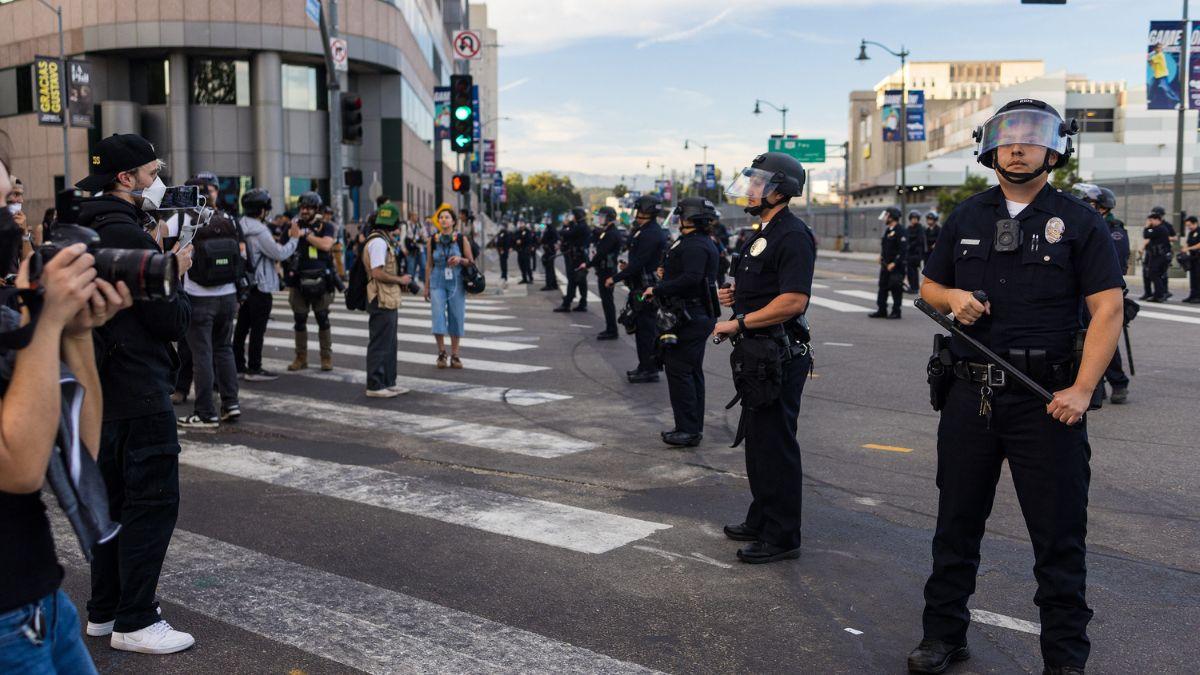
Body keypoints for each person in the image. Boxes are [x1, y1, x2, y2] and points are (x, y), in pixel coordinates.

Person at [910, 99, 1123, 675]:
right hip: (968, 395)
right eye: (1008, 137)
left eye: (1033, 137)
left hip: (1045, 401)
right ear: (990, 147)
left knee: (1058, 537)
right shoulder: (967, 216)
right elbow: (929, 285)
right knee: (955, 524)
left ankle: (1064, 659)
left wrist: (1081, 390)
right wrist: (951, 298)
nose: (1019, 146)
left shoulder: (1080, 221)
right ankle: (943, 634)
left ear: (1055, 150)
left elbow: (1108, 309)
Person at [0, 137, 133, 674]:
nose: (12, 220)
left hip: (40, 599)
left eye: (11, 199)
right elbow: (18, 467)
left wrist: (76, 335)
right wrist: (49, 321)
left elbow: (81, 446)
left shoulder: (8, 318)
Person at [75, 133, 197, 655]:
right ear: (125, 179)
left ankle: (104, 611)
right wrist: (176, 269)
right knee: (151, 501)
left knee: (114, 502)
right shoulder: (130, 233)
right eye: (151, 173)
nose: (157, 182)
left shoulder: (80, 225)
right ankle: (137, 619)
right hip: (137, 383)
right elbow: (168, 319)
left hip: (97, 384)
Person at [713, 152, 816, 564]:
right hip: (759, 354)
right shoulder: (764, 232)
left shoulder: (792, 234)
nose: (751, 189)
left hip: (779, 353)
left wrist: (737, 324)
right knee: (758, 443)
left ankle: (783, 535)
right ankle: (762, 517)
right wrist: (737, 299)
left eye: (759, 183)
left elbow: (793, 300)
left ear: (781, 190)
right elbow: (770, 290)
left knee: (776, 445)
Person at [642, 197, 719, 447]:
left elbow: (692, 279)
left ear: (689, 218)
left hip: (691, 316)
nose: (678, 219)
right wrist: (667, 273)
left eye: (681, 215)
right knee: (691, 371)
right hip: (694, 313)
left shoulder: (695, 244)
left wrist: (658, 289)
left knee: (680, 371)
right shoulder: (694, 241)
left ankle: (687, 429)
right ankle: (691, 426)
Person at [174, 174, 242, 428]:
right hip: (227, 295)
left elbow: (159, 242)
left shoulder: (182, 218)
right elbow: (241, 253)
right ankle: (231, 403)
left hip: (199, 296)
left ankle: (205, 412)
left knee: (202, 352)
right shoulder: (228, 218)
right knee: (224, 349)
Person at [234, 188, 301, 381]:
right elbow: (279, 253)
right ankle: (254, 368)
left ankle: (238, 366)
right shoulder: (260, 230)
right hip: (261, 286)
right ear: (261, 210)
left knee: (242, 327)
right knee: (257, 329)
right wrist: (295, 238)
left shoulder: (239, 225)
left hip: (245, 284)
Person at [1075, 184, 1131, 405]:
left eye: (1090, 204)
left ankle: (1119, 382)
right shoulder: (1081, 224)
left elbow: (1114, 263)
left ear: (1101, 207)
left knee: (1103, 337)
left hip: (1101, 291)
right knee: (1080, 338)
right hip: (1078, 294)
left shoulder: (1113, 228)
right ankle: (1096, 386)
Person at [611, 194, 668, 383]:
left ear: (646, 211)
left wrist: (616, 278)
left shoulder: (651, 233)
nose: (636, 213)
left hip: (646, 289)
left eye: (638, 210)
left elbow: (640, 262)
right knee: (641, 328)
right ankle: (644, 366)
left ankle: (649, 369)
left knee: (646, 330)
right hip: (639, 286)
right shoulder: (643, 230)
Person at [362, 201, 413, 397]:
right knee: (380, 342)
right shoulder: (378, 242)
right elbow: (377, 272)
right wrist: (400, 279)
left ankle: (388, 381)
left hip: (387, 297)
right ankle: (375, 385)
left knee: (390, 342)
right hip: (380, 297)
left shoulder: (383, 240)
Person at [285, 192, 337, 371]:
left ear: (316, 209)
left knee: (323, 318)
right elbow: (284, 249)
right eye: (302, 207)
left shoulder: (326, 226)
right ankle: (301, 357)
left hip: (321, 280)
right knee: (299, 319)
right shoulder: (293, 225)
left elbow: (326, 245)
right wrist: (293, 233)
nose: (304, 211)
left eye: (308, 208)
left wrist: (305, 235)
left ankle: (326, 357)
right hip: (298, 280)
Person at [425, 204, 474, 369]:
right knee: (437, 316)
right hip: (437, 280)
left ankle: (455, 355)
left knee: (456, 316)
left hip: (456, 280)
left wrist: (460, 260)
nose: (443, 219)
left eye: (446, 217)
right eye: (441, 217)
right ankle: (441, 353)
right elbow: (429, 265)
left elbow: (471, 261)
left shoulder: (461, 239)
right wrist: (426, 287)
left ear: (453, 221)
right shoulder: (432, 240)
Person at [589, 206, 624, 339]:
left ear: (609, 218)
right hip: (605, 270)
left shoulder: (611, 234)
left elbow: (601, 253)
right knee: (606, 301)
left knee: (608, 302)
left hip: (607, 271)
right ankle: (610, 328)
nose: (600, 219)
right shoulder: (608, 232)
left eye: (602, 216)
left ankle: (612, 330)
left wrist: (588, 264)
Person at [870, 206, 906, 319]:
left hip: (896, 267)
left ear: (892, 217)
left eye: (887, 216)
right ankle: (882, 310)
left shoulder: (901, 231)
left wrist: (894, 263)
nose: (885, 218)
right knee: (882, 287)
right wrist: (881, 256)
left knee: (896, 289)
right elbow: (885, 247)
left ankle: (896, 311)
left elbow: (903, 250)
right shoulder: (888, 230)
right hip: (885, 266)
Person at [555, 207, 591, 313]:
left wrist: (565, 226)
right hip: (579, 256)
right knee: (580, 281)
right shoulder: (582, 226)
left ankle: (567, 304)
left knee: (573, 280)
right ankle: (582, 303)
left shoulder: (581, 227)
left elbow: (567, 234)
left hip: (577, 257)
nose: (572, 217)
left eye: (573, 215)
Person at [1141, 207, 1174, 302]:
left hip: (1159, 257)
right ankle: (1159, 294)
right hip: (1158, 256)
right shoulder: (1160, 228)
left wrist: (1147, 226)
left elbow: (1146, 234)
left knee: (1154, 274)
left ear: (1157, 220)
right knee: (1155, 275)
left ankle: (1159, 294)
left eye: (1151, 220)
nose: (1150, 222)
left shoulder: (1159, 229)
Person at [904, 210, 927, 293]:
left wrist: (910, 245)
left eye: (916, 218)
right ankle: (912, 286)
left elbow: (919, 240)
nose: (914, 220)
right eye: (913, 218)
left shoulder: (920, 228)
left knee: (914, 271)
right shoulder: (909, 228)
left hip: (916, 253)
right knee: (909, 271)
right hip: (909, 253)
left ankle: (915, 288)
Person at [539, 213, 560, 291]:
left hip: (550, 250)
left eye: (546, 219)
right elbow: (541, 233)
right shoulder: (546, 227)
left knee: (549, 268)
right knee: (549, 267)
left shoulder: (551, 228)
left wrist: (549, 244)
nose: (544, 220)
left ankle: (549, 285)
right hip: (547, 249)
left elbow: (556, 238)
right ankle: (554, 284)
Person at [1183, 215, 1200, 303]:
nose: (1188, 227)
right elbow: (1188, 242)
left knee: (1198, 277)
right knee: (1193, 277)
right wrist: (1185, 249)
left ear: (1195, 223)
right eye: (1187, 226)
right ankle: (1192, 295)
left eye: (1190, 225)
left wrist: (1189, 249)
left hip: (1198, 258)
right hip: (1192, 257)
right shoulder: (1191, 233)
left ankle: (1198, 296)